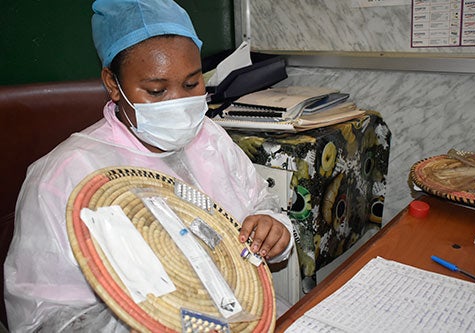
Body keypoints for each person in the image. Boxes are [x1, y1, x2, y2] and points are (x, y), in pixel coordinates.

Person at [4, 0, 293, 331]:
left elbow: (259, 204)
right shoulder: (63, 177)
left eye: (192, 84)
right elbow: (44, 319)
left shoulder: (209, 138)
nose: (179, 103)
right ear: (113, 84)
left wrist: (271, 227)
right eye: (156, 90)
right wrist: (153, 316)